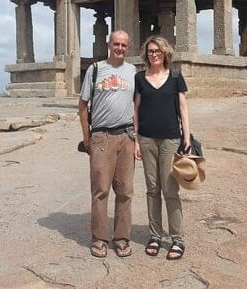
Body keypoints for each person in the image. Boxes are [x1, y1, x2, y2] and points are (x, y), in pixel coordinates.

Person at [78, 30, 137, 258]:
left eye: (123, 45)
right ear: (108, 45)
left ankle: (121, 237)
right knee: (100, 190)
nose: (119, 48)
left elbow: (137, 105)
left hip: (127, 136)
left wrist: (137, 137)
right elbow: (83, 106)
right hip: (101, 137)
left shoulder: (133, 72)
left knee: (125, 191)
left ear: (127, 47)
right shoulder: (95, 70)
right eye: (116, 44)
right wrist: (87, 137)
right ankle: (99, 238)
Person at [133, 35, 191, 260]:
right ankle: (155, 235)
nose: (154, 54)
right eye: (150, 51)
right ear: (146, 54)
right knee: (152, 188)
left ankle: (177, 238)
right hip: (146, 139)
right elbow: (136, 109)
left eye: (157, 51)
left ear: (165, 53)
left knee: (170, 190)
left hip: (170, 139)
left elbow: (183, 108)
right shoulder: (140, 78)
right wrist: (136, 140)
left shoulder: (175, 76)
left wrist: (186, 138)